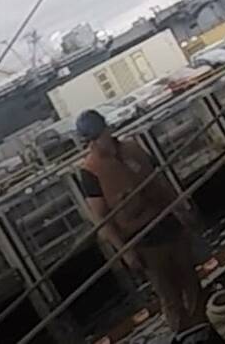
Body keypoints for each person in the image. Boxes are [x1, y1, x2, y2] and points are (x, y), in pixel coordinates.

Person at [75, 109, 208, 341]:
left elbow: (160, 182)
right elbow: (102, 219)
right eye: (94, 140)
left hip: (167, 222)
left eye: (101, 135)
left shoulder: (133, 148)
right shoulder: (90, 172)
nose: (100, 142)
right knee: (168, 293)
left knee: (190, 279)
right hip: (141, 238)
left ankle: (204, 328)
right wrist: (125, 252)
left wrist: (180, 208)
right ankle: (184, 334)